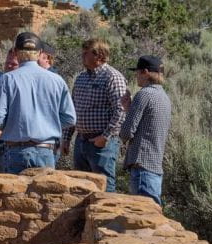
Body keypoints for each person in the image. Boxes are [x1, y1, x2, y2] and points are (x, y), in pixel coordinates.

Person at [0, 32, 76, 173]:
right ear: (40, 52)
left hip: (15, 151)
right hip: (46, 151)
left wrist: (13, 125)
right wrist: (48, 123)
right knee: (44, 194)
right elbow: (70, 118)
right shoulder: (57, 80)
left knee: (15, 195)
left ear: (16, 52)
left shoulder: (6, 79)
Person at [63, 38, 128, 192]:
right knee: (80, 186)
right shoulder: (81, 78)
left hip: (101, 143)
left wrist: (105, 137)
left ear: (99, 56)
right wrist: (66, 138)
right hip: (81, 141)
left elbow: (121, 110)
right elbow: (72, 109)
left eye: (86, 53)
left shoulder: (112, 77)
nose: (82, 56)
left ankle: (105, 215)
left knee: (104, 186)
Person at [120, 55, 172, 205]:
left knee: (142, 217)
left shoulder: (143, 95)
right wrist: (129, 109)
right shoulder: (163, 96)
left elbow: (126, 132)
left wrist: (126, 113)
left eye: (137, 72)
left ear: (145, 72)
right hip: (154, 166)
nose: (136, 76)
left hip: (142, 166)